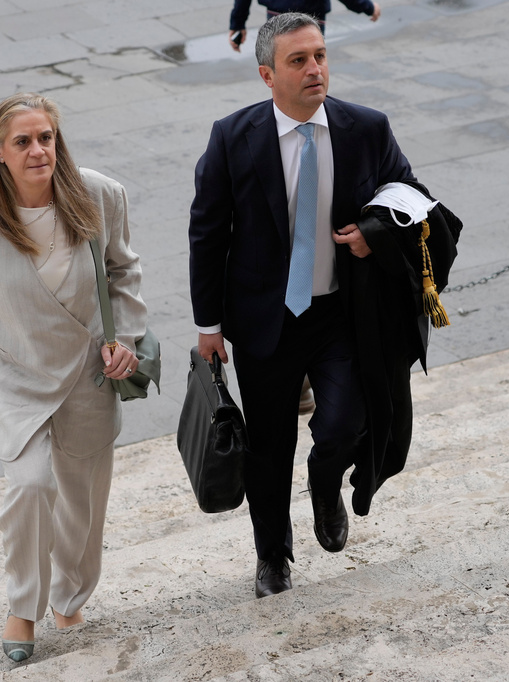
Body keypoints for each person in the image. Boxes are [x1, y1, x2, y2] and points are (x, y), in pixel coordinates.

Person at [189, 12, 429, 599]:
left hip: (340, 314)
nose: (315, 68)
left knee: (348, 421)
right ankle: (273, 557)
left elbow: (412, 197)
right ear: (268, 75)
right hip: (264, 320)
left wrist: (375, 230)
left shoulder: (367, 128)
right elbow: (207, 231)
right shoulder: (231, 137)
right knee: (269, 448)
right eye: (299, 60)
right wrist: (208, 325)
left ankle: (327, 483)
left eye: (320, 55)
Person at [0, 93, 147, 662]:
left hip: (86, 369)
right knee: (30, 484)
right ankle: (22, 607)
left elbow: (124, 271)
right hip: (12, 371)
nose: (38, 151)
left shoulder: (99, 194)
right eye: (23, 141)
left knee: (82, 498)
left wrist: (124, 340)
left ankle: (70, 593)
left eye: (46, 138)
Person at [229, 0, 381, 52]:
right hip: (313, 15)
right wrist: (367, 7)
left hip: (277, 12)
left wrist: (238, 22)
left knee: (283, 63)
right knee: (311, 65)